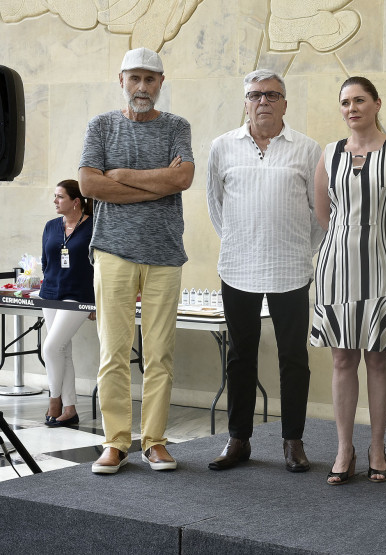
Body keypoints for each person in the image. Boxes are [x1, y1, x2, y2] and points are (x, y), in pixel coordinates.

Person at [78, 47, 194, 474]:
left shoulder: (176, 127)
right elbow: (90, 184)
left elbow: (183, 177)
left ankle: (156, 442)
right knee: (113, 351)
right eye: (135, 78)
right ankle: (115, 442)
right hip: (113, 250)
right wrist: (156, 184)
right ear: (121, 80)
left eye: (150, 79)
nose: (142, 87)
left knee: (160, 354)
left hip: (164, 253)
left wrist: (122, 176)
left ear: (161, 83)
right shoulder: (102, 126)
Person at [205, 69, 322, 473]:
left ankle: (293, 441)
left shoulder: (308, 149)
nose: (264, 102)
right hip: (238, 265)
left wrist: (297, 249)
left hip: (291, 267)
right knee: (240, 356)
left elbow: (318, 212)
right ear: (246, 103)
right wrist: (243, 241)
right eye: (255, 95)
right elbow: (215, 206)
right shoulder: (221, 147)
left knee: (293, 357)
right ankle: (239, 439)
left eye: (273, 95)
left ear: (285, 103)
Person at [311, 76, 386, 485]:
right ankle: (344, 448)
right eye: (344, 102)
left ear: (377, 103)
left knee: (378, 357)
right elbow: (324, 214)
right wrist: (345, 243)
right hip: (336, 267)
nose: (351, 107)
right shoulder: (329, 154)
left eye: (359, 100)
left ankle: (377, 445)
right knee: (342, 358)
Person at [40, 179, 94, 428]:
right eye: (54, 196)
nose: (55, 201)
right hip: (50, 293)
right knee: (63, 350)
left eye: (59, 197)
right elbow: (45, 262)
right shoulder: (51, 226)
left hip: (78, 295)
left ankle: (55, 399)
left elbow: (101, 267)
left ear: (76, 201)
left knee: (51, 348)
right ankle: (70, 408)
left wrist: (96, 301)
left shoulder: (93, 226)